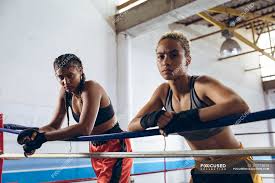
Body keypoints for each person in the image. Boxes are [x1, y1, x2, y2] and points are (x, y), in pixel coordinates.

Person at [127, 31, 262, 183]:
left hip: (234, 165)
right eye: (161, 56)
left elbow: (241, 106)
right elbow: (132, 125)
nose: (166, 61)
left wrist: (185, 118)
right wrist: (153, 118)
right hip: (203, 168)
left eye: (174, 55)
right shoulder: (163, 92)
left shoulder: (201, 85)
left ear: (187, 60)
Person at [17, 54, 133, 183]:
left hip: (114, 144)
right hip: (95, 146)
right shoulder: (65, 93)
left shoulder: (91, 88)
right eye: (61, 77)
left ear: (81, 71)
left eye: (70, 75)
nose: (65, 81)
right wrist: (34, 134)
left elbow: (85, 128)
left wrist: (43, 138)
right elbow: (54, 126)